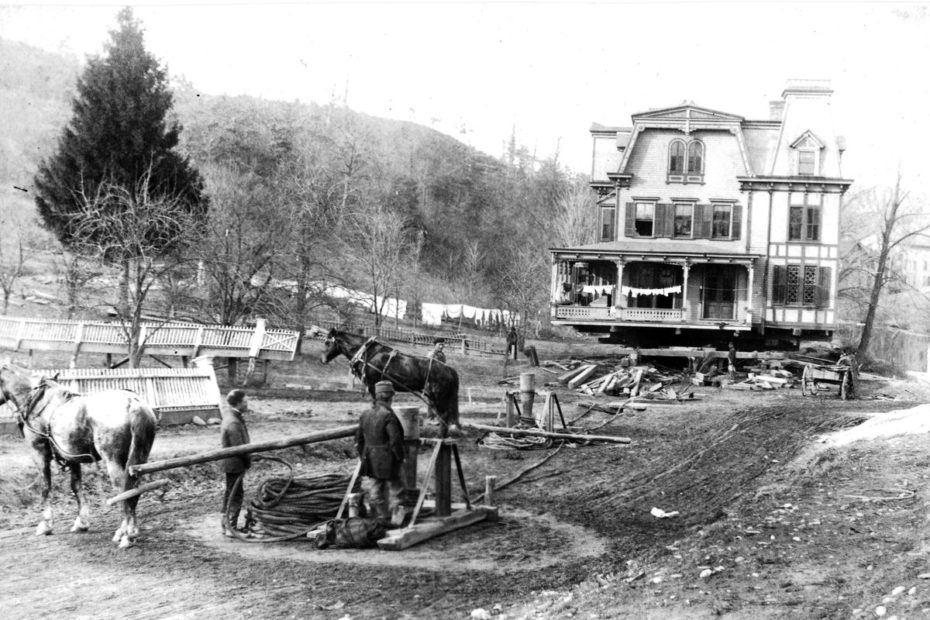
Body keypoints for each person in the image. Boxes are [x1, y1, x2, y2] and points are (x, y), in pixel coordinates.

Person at [356, 380, 405, 524]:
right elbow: (395, 440)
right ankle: (396, 522)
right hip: (388, 458)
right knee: (396, 488)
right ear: (390, 397)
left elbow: (358, 439)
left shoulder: (365, 414)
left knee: (375, 488)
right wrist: (400, 457)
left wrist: (363, 456)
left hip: (370, 458)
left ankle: (379, 519)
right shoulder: (388, 415)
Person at [220, 389, 251, 537]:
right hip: (235, 464)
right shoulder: (233, 422)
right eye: (245, 401)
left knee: (230, 493)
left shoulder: (232, 417)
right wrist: (248, 460)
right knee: (235, 495)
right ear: (238, 403)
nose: (247, 404)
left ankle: (226, 525)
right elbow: (240, 448)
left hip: (233, 463)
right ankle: (230, 527)